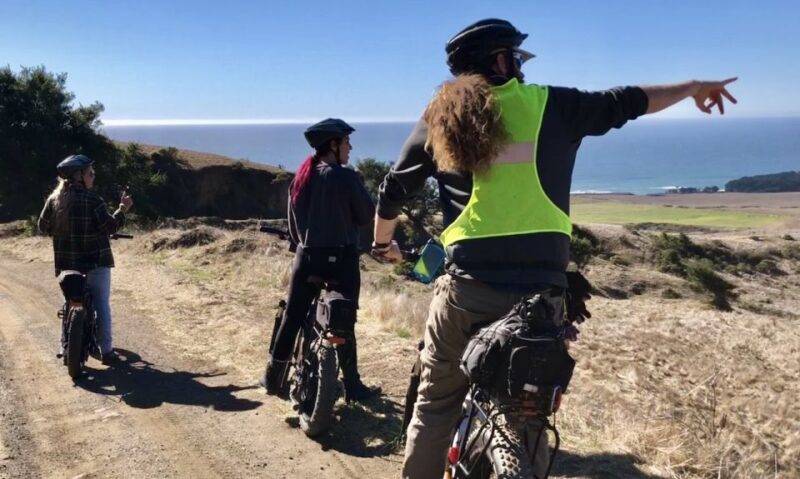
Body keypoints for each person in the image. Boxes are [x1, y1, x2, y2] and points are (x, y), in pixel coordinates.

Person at [370, 18, 737, 478]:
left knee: (436, 403)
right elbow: (629, 101)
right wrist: (693, 87)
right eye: (518, 59)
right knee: (529, 416)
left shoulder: (440, 118)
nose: (522, 69)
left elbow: (393, 190)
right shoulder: (553, 105)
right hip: (542, 294)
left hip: (469, 286)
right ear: (502, 60)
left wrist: (381, 243)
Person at [260, 118, 381, 402]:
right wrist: (358, 186)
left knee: (292, 316)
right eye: (346, 142)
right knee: (344, 319)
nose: (350, 147)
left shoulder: (301, 178)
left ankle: (273, 378)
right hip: (342, 260)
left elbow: (293, 227)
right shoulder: (347, 177)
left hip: (308, 257)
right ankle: (353, 386)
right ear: (333, 144)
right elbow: (365, 216)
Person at [38, 154, 133, 365]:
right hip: (95, 263)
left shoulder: (54, 201)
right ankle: (106, 352)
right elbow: (110, 226)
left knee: (69, 301)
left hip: (66, 265)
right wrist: (122, 208)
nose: (93, 176)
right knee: (101, 305)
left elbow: (42, 227)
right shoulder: (93, 200)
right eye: (90, 172)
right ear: (79, 176)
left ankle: (65, 347)